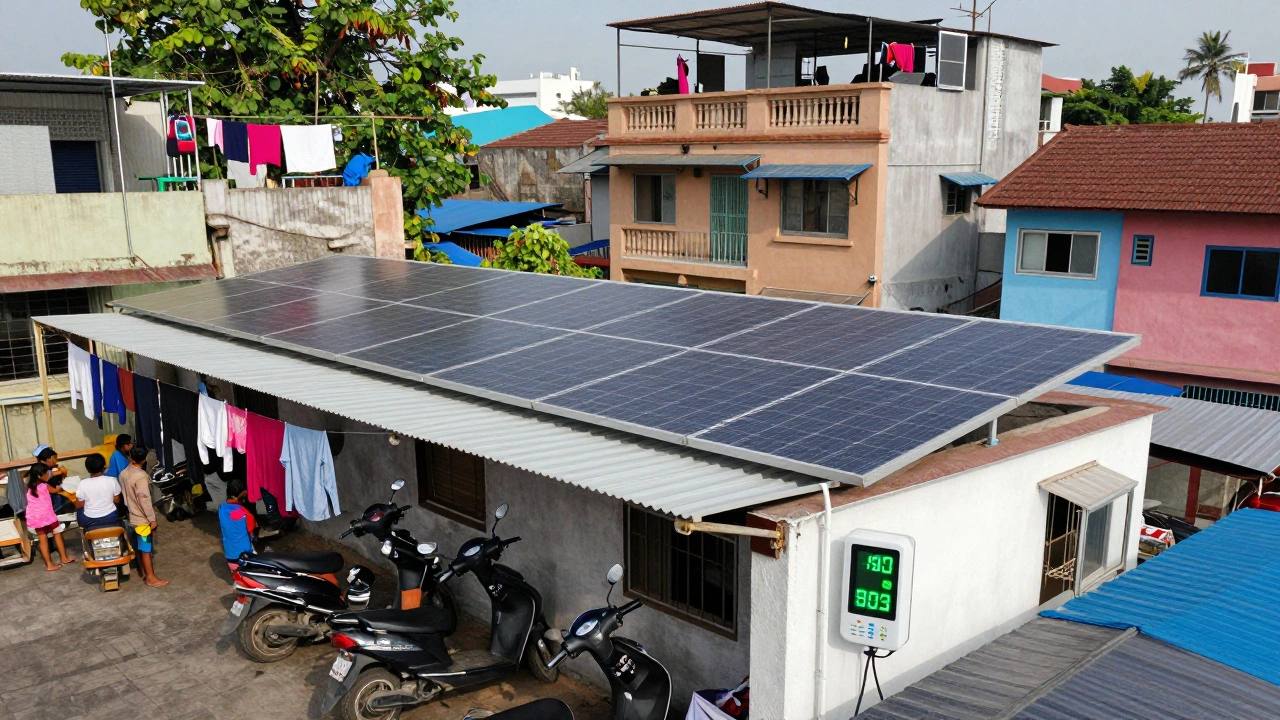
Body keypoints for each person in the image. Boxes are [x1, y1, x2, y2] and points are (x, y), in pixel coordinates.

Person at [120, 445, 167, 587]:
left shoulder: (123, 473)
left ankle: (143, 572)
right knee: (146, 548)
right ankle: (150, 577)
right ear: (144, 459)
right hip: (142, 519)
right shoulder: (140, 477)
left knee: (138, 547)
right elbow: (144, 500)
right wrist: (152, 520)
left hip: (130, 517)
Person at [25, 463, 76, 571]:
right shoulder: (44, 486)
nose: (49, 474)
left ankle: (49, 564)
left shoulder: (30, 489)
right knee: (57, 533)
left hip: (36, 518)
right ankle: (64, 557)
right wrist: (61, 485)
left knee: (43, 540)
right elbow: (56, 490)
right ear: (40, 475)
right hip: (47, 516)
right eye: (46, 473)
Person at [75, 453, 123, 531]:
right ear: (103, 467)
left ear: (87, 469)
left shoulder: (82, 483)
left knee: (79, 510)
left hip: (89, 520)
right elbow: (117, 500)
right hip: (111, 516)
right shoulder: (112, 480)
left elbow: (79, 505)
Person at [218, 479, 256, 572]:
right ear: (241, 494)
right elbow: (251, 531)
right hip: (245, 558)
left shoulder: (221, 508)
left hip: (230, 560)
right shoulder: (245, 513)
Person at [34, 445, 73, 515]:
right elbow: (54, 488)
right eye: (54, 458)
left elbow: (61, 483)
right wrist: (61, 472)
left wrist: (64, 474)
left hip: (52, 500)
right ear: (48, 459)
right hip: (47, 505)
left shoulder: (51, 469)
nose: (56, 460)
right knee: (64, 499)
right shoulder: (41, 471)